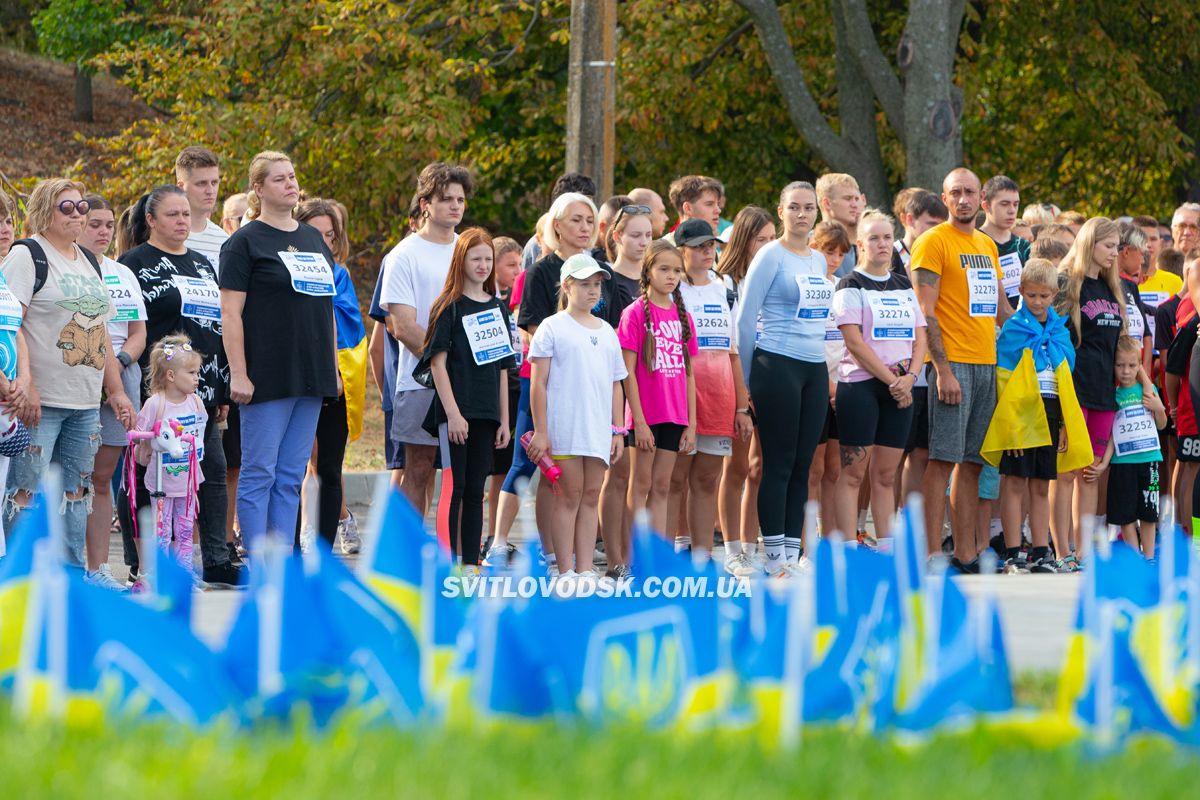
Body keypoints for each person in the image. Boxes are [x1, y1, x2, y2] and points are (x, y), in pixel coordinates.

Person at [0, 179, 135, 567]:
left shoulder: (90, 260)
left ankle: (71, 580)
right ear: (44, 209)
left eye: (81, 207)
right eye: (68, 207)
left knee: (77, 493)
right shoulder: (28, 256)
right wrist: (26, 384)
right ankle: (18, 577)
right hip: (38, 402)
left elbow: (104, 335)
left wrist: (116, 391)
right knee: (24, 493)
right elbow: (12, 326)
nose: (79, 214)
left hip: (85, 401)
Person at [118, 185, 239, 586]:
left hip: (201, 395)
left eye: (186, 214)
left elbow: (215, 327)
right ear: (150, 220)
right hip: (156, 394)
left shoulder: (204, 264)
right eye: (173, 215)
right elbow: (126, 327)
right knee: (147, 474)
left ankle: (216, 558)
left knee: (212, 471)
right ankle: (145, 561)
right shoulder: (133, 263)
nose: (183, 222)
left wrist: (219, 388)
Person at [219, 150, 338, 547]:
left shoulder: (312, 239)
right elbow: (231, 314)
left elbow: (326, 307)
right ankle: (259, 561)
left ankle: (282, 563)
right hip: (267, 374)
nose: (291, 184)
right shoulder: (244, 242)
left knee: (290, 476)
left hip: (311, 374)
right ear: (258, 188)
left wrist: (332, 367)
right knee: (260, 473)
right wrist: (239, 372)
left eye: (292, 176)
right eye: (279, 179)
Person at [913, 167, 1011, 573]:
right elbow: (926, 311)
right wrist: (943, 370)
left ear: (981, 199)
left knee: (973, 463)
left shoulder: (987, 245)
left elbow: (1002, 310)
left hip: (986, 363)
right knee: (942, 460)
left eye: (971, 192)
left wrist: (1047, 326)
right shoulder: (933, 242)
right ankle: (931, 553)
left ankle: (967, 552)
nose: (964, 199)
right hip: (953, 366)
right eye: (957, 193)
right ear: (945, 197)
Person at [735, 181, 830, 575]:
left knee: (804, 464)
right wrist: (744, 385)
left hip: (814, 367)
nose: (802, 215)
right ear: (781, 211)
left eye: (809, 208)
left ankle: (793, 552)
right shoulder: (770, 256)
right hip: (776, 364)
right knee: (778, 462)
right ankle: (774, 555)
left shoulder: (819, 260)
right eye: (794, 207)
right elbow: (743, 321)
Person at [525, 254, 627, 583]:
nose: (593, 291)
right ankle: (565, 569)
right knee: (568, 495)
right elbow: (538, 383)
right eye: (585, 284)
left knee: (590, 495)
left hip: (597, 429)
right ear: (567, 286)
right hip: (564, 427)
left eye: (597, 285)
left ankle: (585, 570)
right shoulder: (552, 328)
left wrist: (617, 430)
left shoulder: (608, 332)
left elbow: (616, 385)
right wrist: (541, 431)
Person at [984, 259, 1088, 574]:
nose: (1038, 302)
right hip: (1021, 411)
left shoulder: (1059, 330)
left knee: (1042, 484)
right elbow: (1004, 379)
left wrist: (1065, 425)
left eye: (1044, 296)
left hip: (1051, 411)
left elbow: (1065, 378)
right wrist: (1012, 427)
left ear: (1054, 295)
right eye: (1031, 296)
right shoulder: (1014, 329)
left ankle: (1042, 551)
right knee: (1015, 482)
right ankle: (1014, 551)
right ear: (1021, 292)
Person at [381, 162, 473, 516]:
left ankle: (458, 559)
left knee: (464, 474)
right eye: (445, 198)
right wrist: (444, 363)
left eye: (460, 199)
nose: (454, 206)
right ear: (425, 204)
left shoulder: (469, 250)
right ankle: (406, 558)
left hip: (469, 379)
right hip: (419, 381)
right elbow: (402, 325)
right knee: (418, 469)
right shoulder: (404, 254)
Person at [832, 209, 927, 542]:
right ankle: (847, 548)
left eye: (887, 237)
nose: (883, 244)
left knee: (886, 476)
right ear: (860, 243)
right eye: (874, 238)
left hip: (902, 388)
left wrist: (911, 377)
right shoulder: (850, 284)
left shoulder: (903, 284)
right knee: (854, 474)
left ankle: (887, 549)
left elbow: (920, 336)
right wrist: (894, 382)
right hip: (861, 388)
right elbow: (855, 343)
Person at [422, 228, 513, 574]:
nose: (483, 265)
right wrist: (453, 414)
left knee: (477, 490)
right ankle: (446, 565)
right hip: (456, 413)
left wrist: (504, 421)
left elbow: (504, 368)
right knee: (455, 487)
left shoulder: (497, 307)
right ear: (461, 261)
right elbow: (438, 363)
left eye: (488, 259)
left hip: (489, 414)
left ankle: (470, 564)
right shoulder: (449, 307)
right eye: (475, 258)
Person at [1053, 217, 1138, 569]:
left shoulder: (1111, 289)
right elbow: (1053, 341)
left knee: (1090, 472)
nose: (1115, 253)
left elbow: (1123, 344)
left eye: (1117, 247)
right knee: (1064, 473)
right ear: (1090, 243)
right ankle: (1061, 551)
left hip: (1104, 392)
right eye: (1109, 246)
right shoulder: (1066, 283)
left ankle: (1084, 550)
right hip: (1073, 391)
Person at [669, 219, 750, 565]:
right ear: (681, 251)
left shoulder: (725, 287)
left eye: (711, 246)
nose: (708, 252)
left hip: (720, 397)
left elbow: (733, 352)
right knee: (674, 481)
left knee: (705, 480)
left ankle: (703, 561)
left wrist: (742, 406)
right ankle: (670, 556)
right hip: (679, 398)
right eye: (700, 246)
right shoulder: (672, 290)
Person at [78, 193, 147, 590]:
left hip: (121, 375)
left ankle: (98, 568)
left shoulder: (122, 273)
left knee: (101, 480)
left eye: (108, 224)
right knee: (74, 477)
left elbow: (139, 332)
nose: (103, 231)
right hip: (79, 375)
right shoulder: (66, 268)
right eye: (94, 224)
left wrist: (117, 367)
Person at [295, 198, 366, 554]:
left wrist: (335, 372)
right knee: (292, 469)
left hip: (332, 384)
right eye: (315, 234)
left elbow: (348, 324)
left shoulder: (339, 275)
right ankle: (290, 548)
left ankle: (322, 551)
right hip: (291, 383)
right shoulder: (284, 268)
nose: (324, 243)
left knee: (328, 468)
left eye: (330, 236)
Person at [620, 240, 697, 539]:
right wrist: (638, 421)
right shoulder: (635, 313)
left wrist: (691, 423)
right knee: (640, 485)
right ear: (648, 271)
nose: (671, 276)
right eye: (664, 269)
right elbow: (627, 372)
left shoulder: (683, 316)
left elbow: (689, 375)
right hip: (645, 415)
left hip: (675, 416)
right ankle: (633, 557)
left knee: (663, 485)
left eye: (676, 270)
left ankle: (657, 557)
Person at [714, 205, 774, 574]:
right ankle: (732, 547)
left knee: (759, 467)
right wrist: (741, 390)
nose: (767, 246)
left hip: (770, 379)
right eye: (760, 240)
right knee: (734, 467)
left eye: (772, 239)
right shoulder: (723, 283)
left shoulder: (776, 274)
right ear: (744, 241)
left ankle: (751, 547)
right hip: (733, 383)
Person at [595, 203, 654, 575]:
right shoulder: (605, 282)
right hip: (614, 387)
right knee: (616, 475)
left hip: (650, 388)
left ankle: (637, 556)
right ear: (616, 237)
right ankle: (614, 558)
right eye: (635, 234)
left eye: (649, 235)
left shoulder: (657, 282)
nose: (643, 242)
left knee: (643, 480)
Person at [132, 334, 207, 574]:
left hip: (187, 482)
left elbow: (200, 433)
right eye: (192, 373)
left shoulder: (196, 402)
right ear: (171, 376)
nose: (197, 378)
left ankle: (185, 575)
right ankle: (160, 576)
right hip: (161, 483)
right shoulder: (156, 404)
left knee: (185, 530)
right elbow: (139, 435)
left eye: (197, 373)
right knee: (161, 532)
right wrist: (144, 445)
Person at [894, 191, 948, 505]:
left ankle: (912, 525)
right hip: (898, 367)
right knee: (894, 453)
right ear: (909, 220)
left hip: (927, 367)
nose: (934, 232)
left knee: (922, 452)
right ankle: (879, 528)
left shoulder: (939, 256)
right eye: (929, 224)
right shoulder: (891, 256)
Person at [1095, 336, 1166, 559]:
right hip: (1122, 463)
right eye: (1120, 365)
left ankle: (1150, 557)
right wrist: (1104, 463)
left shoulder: (1148, 389)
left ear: (1139, 366)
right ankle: (1136, 560)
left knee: (1148, 512)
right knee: (1124, 515)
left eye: (1132, 365)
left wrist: (1159, 407)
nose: (1126, 371)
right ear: (1112, 365)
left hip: (1149, 460)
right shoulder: (1112, 396)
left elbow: (1162, 425)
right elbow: (1112, 436)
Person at [807, 220, 851, 538]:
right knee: (814, 468)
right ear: (813, 248)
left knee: (835, 469)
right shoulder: (808, 286)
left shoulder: (844, 288)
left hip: (844, 387)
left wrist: (844, 385)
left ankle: (830, 537)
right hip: (815, 386)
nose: (833, 259)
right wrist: (827, 385)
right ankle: (806, 541)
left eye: (839, 253)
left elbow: (852, 340)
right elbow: (806, 342)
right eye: (827, 250)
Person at [484, 235, 523, 560]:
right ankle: (482, 536)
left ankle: (495, 535)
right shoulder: (486, 299)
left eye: (520, 264)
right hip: (491, 391)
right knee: (490, 466)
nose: (517, 270)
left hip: (513, 388)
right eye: (511, 264)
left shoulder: (514, 298)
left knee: (503, 468)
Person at [0, 188, 29, 560]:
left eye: (7, 220)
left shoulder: (3, 276)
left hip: (7, 398)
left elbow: (17, 331)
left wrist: (23, 379)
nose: (4, 229)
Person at [521, 172, 597, 270]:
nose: (585, 227)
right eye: (576, 219)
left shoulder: (597, 262)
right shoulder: (537, 245)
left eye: (589, 220)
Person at [175, 146, 228, 276]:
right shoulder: (162, 235)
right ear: (181, 187)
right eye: (201, 183)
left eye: (214, 183)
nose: (210, 191)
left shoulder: (224, 241)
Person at [980, 175, 1031, 306]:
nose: (1012, 210)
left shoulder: (1024, 247)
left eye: (1016, 204)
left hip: (1019, 322)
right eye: (1004, 204)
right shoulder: (973, 243)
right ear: (986, 206)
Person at [815, 173, 865, 278]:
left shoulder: (859, 247)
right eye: (848, 198)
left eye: (856, 199)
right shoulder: (807, 242)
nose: (854, 205)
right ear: (827, 203)